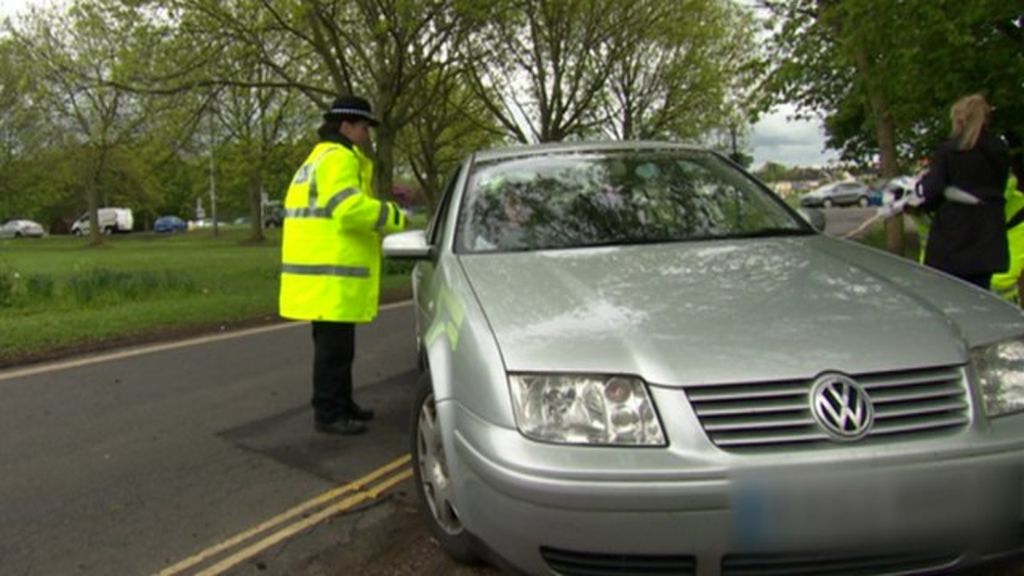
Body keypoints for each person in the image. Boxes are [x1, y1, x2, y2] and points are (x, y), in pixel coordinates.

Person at [278, 96, 407, 435]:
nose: (367, 135)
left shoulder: (317, 158)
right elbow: (348, 210)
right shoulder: (338, 159)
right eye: (364, 127)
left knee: (336, 349)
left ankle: (341, 404)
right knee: (334, 352)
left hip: (319, 273)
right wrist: (392, 216)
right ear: (345, 126)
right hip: (331, 273)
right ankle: (330, 413)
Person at [919, 94, 1010, 290]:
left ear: (959, 119)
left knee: (950, 296)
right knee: (980, 295)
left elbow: (932, 191)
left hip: (954, 239)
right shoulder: (1000, 150)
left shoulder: (950, 150)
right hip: (988, 236)